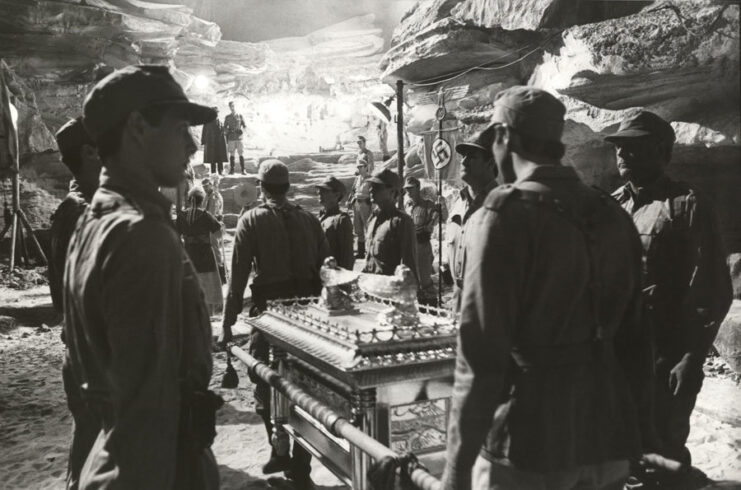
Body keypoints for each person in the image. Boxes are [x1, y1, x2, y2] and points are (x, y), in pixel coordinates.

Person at [442, 86, 654, 490]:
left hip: (530, 443)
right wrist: (642, 436)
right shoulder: (613, 212)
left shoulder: (502, 216)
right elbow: (637, 340)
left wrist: (456, 469)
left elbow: (481, 358)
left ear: (504, 138)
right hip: (607, 437)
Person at [64, 65, 221, 489]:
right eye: (180, 127)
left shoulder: (95, 221)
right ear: (137, 127)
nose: (191, 144)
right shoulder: (141, 236)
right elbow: (149, 415)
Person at [606, 111, 732, 485]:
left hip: (666, 355)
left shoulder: (687, 205)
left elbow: (713, 288)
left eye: (633, 146)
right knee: (623, 451)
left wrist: (692, 359)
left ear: (661, 152)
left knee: (664, 453)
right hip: (619, 353)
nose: (622, 154)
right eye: (618, 146)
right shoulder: (613, 205)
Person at [221, 159, 329, 490]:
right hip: (307, 317)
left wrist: (227, 324)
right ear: (288, 187)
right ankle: (299, 462)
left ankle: (279, 449)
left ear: (261, 187)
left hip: (270, 319)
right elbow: (328, 273)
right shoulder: (310, 220)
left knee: (264, 382)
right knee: (305, 389)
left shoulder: (251, 220)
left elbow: (238, 277)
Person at [49, 117, 102, 490]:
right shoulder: (78, 213)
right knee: (93, 439)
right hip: (93, 354)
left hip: (94, 350)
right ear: (88, 153)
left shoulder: (84, 208)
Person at [446, 126, 499, 313]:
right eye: (463, 156)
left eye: (472, 156)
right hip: (458, 305)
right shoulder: (458, 205)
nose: (464, 161)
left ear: (490, 164)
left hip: (491, 310)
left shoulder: (501, 205)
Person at [362, 168, 418, 281]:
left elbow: (408, 265)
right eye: (371, 186)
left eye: (377, 187)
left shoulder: (401, 222)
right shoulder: (372, 219)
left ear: (393, 192)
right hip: (371, 290)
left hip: (390, 292)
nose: (371, 190)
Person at [180, 186, 224, 316]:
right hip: (205, 256)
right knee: (208, 287)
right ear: (202, 200)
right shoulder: (206, 216)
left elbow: (176, 234)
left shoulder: (182, 216)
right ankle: (208, 315)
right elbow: (218, 234)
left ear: (189, 200)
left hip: (188, 255)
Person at [403, 176, 438, 304]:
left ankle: (433, 309)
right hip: (410, 246)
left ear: (418, 188)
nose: (408, 192)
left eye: (411, 189)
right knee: (414, 281)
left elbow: (436, 218)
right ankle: (423, 309)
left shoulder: (428, 204)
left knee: (425, 281)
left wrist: (436, 214)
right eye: (407, 189)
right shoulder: (407, 206)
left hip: (422, 246)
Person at [316, 176, 354, 270]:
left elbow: (347, 257)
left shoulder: (341, 220)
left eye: (324, 190)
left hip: (333, 276)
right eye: (319, 190)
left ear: (337, 195)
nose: (319, 192)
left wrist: (343, 282)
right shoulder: (319, 217)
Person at [202, 176, 226, 283]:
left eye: (207, 186)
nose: (205, 188)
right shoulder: (207, 196)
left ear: (211, 185)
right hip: (210, 225)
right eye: (204, 187)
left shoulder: (214, 197)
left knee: (216, 251)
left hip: (214, 226)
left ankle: (222, 275)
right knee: (213, 250)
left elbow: (212, 213)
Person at [349, 158, 372, 258]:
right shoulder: (357, 179)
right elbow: (353, 191)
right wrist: (350, 201)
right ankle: (361, 252)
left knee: (368, 228)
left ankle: (370, 252)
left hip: (366, 204)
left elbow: (373, 193)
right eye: (358, 167)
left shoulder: (370, 179)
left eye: (361, 167)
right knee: (358, 229)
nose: (359, 169)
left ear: (366, 167)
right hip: (356, 204)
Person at [201, 106, 227, 175]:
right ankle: (213, 172)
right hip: (211, 143)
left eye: (217, 112)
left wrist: (225, 140)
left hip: (219, 143)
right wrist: (203, 141)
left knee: (220, 157)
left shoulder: (221, 122)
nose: (216, 114)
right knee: (212, 158)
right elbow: (204, 132)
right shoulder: (207, 122)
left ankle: (220, 171)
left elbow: (224, 132)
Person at [224, 100, 246, 174]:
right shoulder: (227, 117)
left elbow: (244, 126)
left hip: (239, 138)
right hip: (231, 138)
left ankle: (243, 170)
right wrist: (228, 131)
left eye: (233, 106)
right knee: (232, 154)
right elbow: (224, 127)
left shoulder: (240, 116)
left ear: (235, 106)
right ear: (229, 107)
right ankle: (232, 170)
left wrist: (242, 130)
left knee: (241, 153)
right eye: (230, 106)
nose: (232, 107)